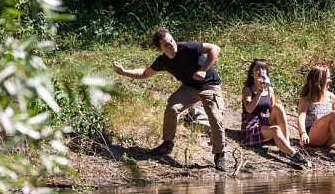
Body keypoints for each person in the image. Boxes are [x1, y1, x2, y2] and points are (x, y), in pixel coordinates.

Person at [113, 28, 228, 172]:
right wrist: (123, 72)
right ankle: (167, 144)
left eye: (172, 41)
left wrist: (204, 70)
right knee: (172, 109)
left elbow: (215, 48)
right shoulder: (162, 61)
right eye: (166, 44)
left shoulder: (187, 47)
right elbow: (145, 73)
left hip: (209, 86)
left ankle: (219, 155)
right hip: (189, 87)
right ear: (160, 49)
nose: (172, 45)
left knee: (216, 118)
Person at [241, 59, 306, 166]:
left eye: (263, 69)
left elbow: (273, 110)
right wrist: (260, 91)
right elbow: (249, 109)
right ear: (252, 73)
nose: (261, 71)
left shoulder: (270, 90)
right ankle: (294, 155)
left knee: (278, 107)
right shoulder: (247, 89)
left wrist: (266, 88)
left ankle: (286, 144)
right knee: (276, 129)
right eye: (258, 69)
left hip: (264, 121)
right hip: (252, 125)